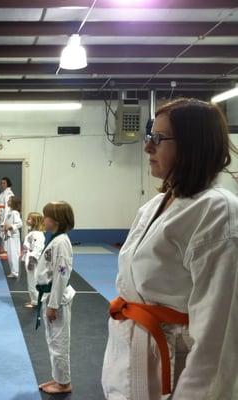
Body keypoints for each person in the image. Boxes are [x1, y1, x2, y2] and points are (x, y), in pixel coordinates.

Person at [101, 98, 238, 400]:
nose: (148, 147)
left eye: (158, 139)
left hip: (179, 372)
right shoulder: (156, 205)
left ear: (193, 145)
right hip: (133, 359)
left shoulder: (218, 213)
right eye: (149, 136)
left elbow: (219, 341)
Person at [35, 201, 75, 395]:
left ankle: (64, 383)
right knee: (53, 340)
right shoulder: (55, 239)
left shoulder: (61, 242)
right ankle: (59, 378)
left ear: (57, 220)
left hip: (56, 298)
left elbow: (61, 275)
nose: (44, 220)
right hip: (50, 296)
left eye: (47, 216)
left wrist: (53, 304)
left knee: (59, 342)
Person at [22, 212, 46, 308]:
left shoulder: (38, 234)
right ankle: (34, 300)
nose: (27, 220)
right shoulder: (32, 232)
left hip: (33, 258)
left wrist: (32, 259)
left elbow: (38, 248)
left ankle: (36, 301)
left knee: (33, 280)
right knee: (31, 280)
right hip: (29, 255)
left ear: (35, 222)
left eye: (30, 219)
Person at [0, 176, 15, 253]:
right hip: (0, 213)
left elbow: (8, 208)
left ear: (8, 183)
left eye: (4, 183)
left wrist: (5, 220)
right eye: (1, 183)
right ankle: (4, 248)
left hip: (5, 215)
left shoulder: (9, 193)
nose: (2, 184)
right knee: (3, 231)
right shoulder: (3, 193)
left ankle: (6, 249)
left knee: (5, 231)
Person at [3, 196, 23, 278]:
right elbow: (7, 223)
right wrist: (3, 227)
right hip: (9, 235)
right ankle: (13, 271)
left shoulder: (15, 213)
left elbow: (19, 224)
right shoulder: (9, 212)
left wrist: (10, 227)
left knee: (14, 254)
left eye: (10, 200)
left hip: (14, 236)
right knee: (10, 254)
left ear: (13, 203)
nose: (8, 201)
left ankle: (15, 272)